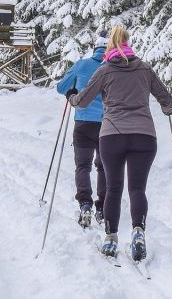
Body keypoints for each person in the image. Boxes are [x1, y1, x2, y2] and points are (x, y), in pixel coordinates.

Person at [67, 25, 172, 262]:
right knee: (137, 189)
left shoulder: (105, 70)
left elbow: (83, 100)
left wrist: (72, 98)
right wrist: (167, 108)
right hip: (144, 136)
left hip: (112, 135)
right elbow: (165, 98)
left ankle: (111, 239)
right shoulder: (145, 68)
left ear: (110, 45)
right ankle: (138, 232)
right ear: (128, 42)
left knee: (114, 189)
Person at [55, 30, 109, 229]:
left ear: (94, 48)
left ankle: (85, 203)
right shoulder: (112, 67)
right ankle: (102, 207)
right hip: (107, 124)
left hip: (83, 123)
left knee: (83, 166)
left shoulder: (82, 65)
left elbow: (61, 87)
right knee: (103, 167)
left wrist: (72, 91)